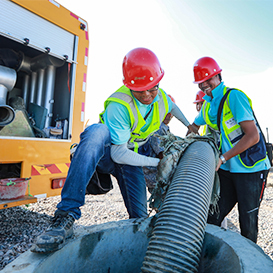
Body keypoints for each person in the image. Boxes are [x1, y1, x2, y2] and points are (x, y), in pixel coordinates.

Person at [32, 47, 194, 253]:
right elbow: (118, 154)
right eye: (139, 90)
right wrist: (157, 163)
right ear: (129, 86)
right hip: (111, 153)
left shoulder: (161, 96)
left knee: (140, 219)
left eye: (152, 88)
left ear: (158, 82)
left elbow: (172, 107)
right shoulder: (119, 104)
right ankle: (65, 215)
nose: (146, 94)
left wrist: (190, 125)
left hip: (131, 160)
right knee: (95, 132)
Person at [188, 56, 271, 243]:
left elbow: (253, 136)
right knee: (212, 218)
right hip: (227, 170)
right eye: (200, 82)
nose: (204, 85)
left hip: (250, 169)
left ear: (218, 76)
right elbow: (193, 126)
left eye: (208, 79)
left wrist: (223, 158)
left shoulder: (234, 97)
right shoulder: (208, 105)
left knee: (248, 225)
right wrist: (183, 145)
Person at [143, 94, 175, 193]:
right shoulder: (157, 128)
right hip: (155, 175)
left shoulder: (164, 128)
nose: (169, 115)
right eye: (166, 112)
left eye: (170, 113)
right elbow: (162, 154)